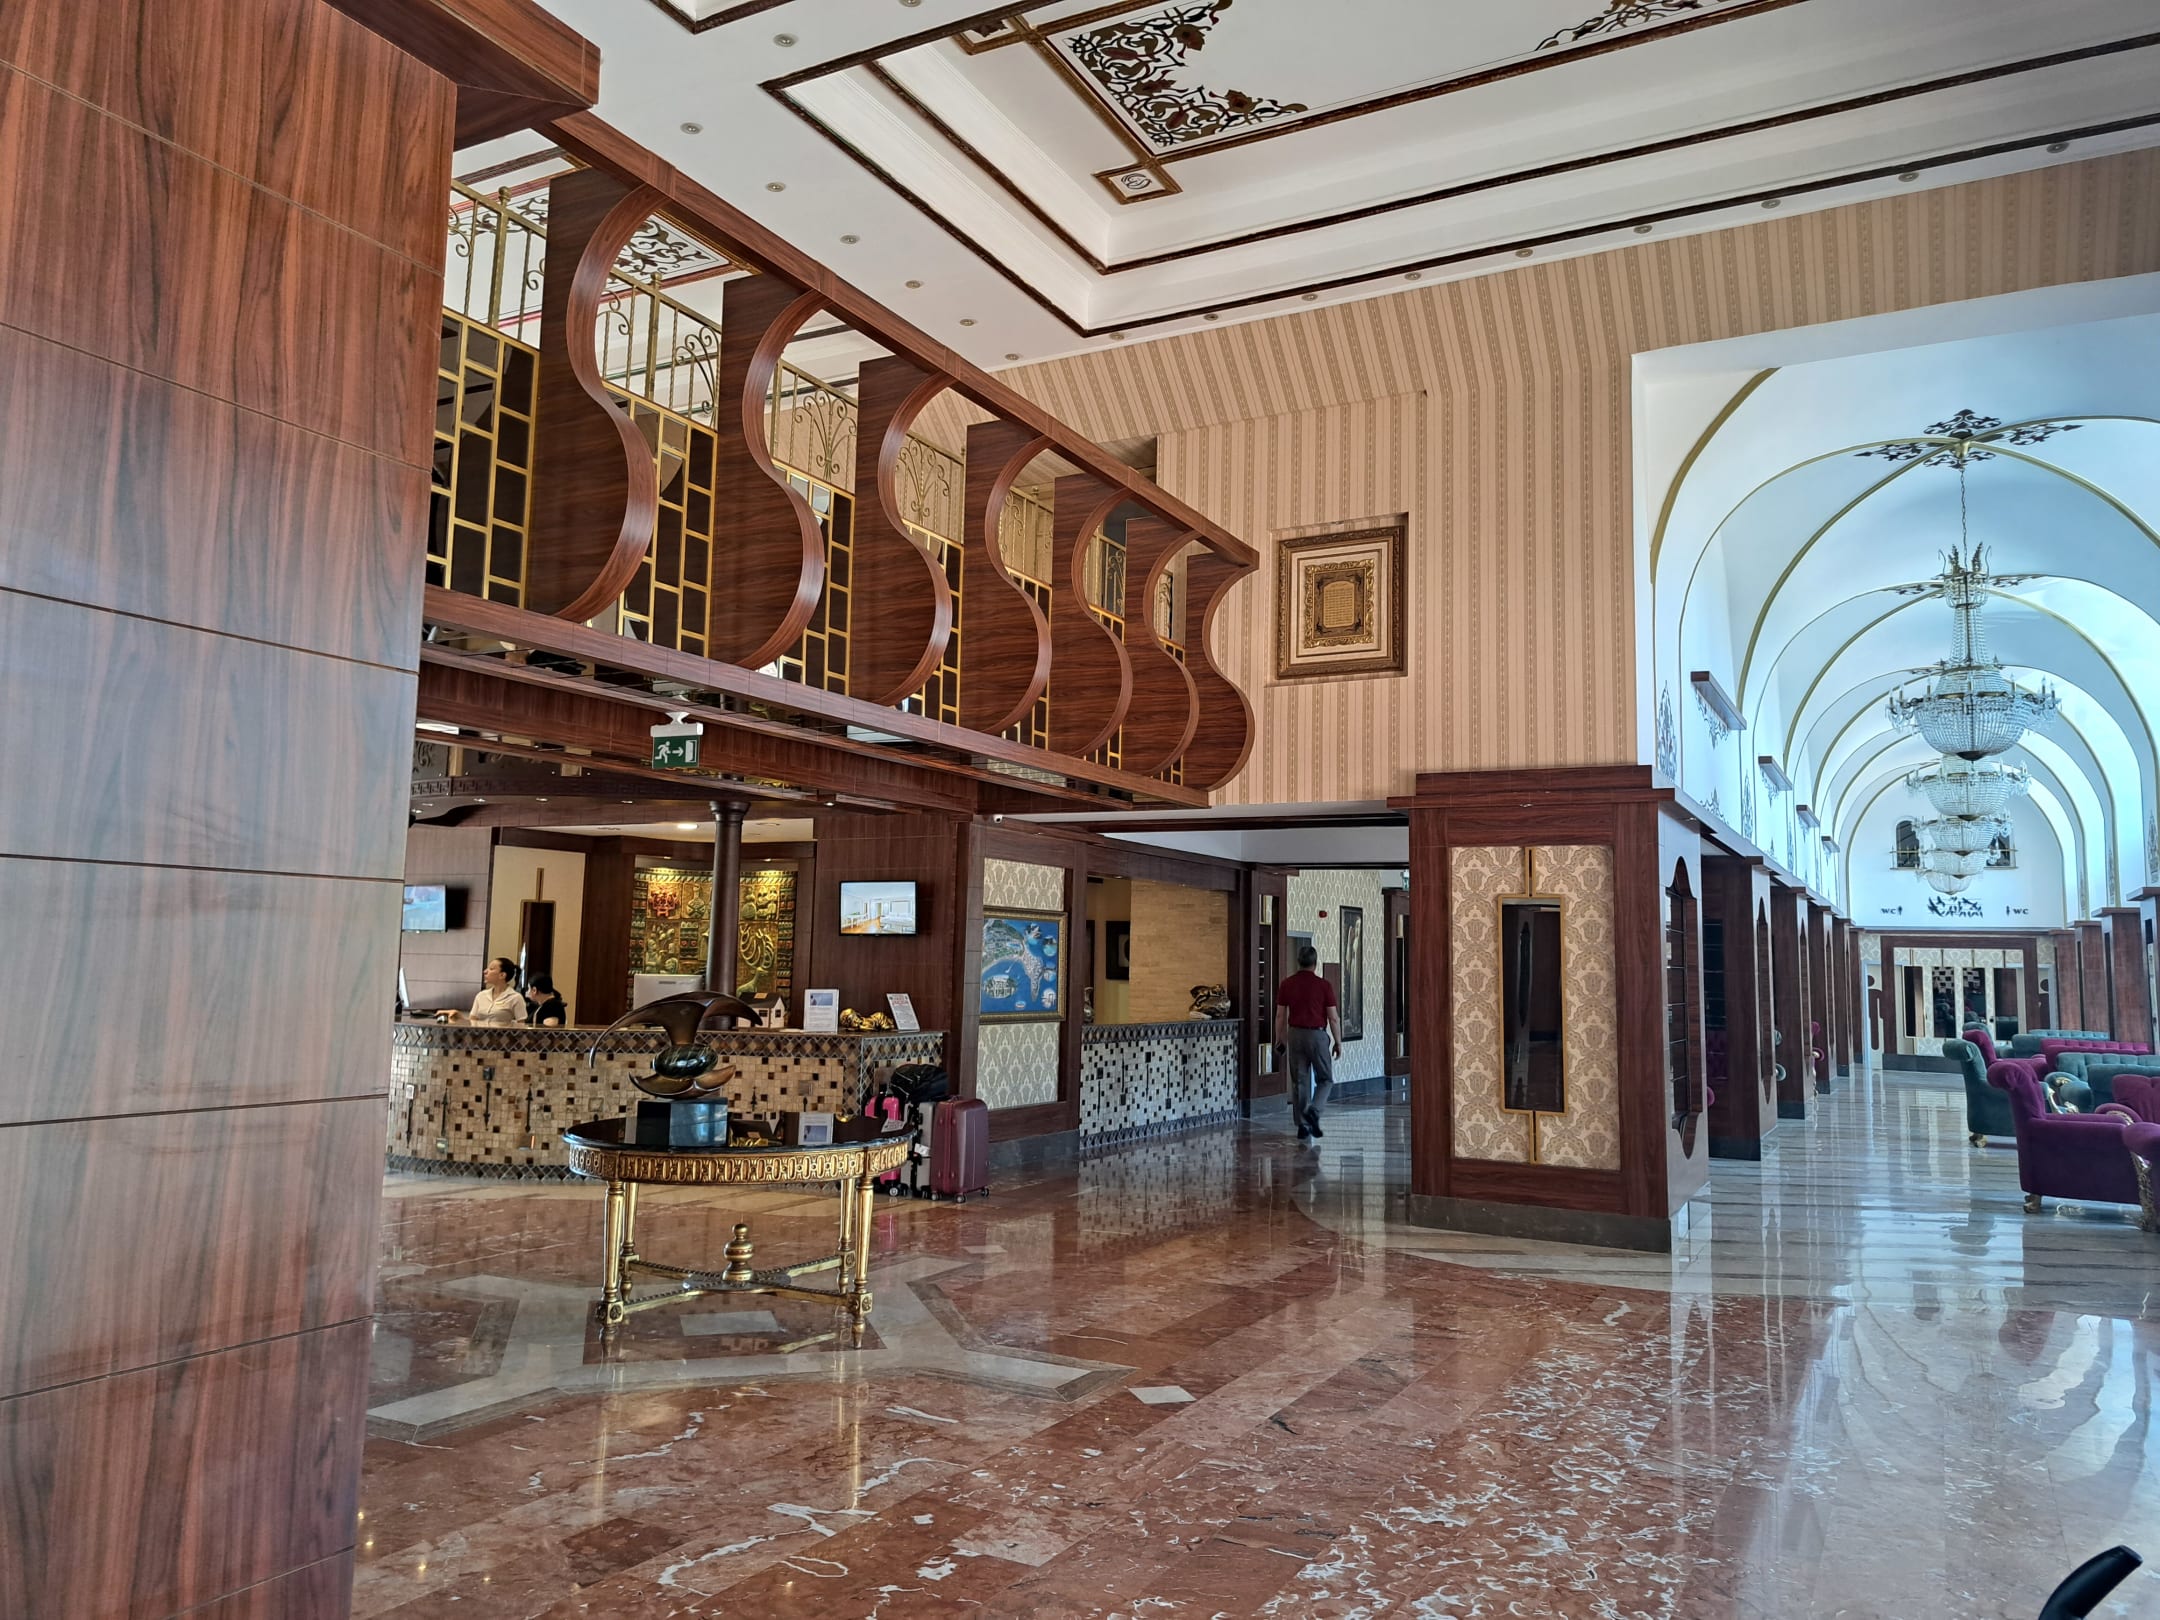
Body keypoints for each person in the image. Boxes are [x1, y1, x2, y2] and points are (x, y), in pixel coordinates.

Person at [1275, 943, 1341, 1144]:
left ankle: (1303, 1125)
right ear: (1315, 963)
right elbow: (1333, 1018)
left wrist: (1279, 1038)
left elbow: (1280, 1015)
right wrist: (1338, 1041)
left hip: (1295, 1034)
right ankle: (1314, 1110)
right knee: (1325, 1079)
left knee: (1300, 1081)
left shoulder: (1287, 984)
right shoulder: (1324, 986)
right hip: (1317, 1035)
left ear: (1299, 962)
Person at [450, 957, 527, 1025]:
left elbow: (521, 1026)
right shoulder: (481, 995)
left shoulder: (515, 998)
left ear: (502, 975)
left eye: (491, 969)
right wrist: (459, 1016)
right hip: (480, 1036)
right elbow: (472, 1023)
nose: (485, 971)